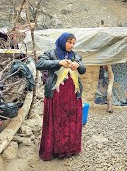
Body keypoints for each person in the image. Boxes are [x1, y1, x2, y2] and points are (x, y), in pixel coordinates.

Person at [36, 33, 86, 161]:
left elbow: (83, 69)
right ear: (63, 41)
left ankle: (69, 149)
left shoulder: (75, 56)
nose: (71, 45)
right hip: (56, 93)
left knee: (70, 120)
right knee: (56, 120)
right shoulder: (51, 53)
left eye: (73, 43)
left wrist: (78, 65)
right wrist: (58, 62)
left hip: (72, 94)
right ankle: (53, 150)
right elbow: (40, 64)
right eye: (69, 42)